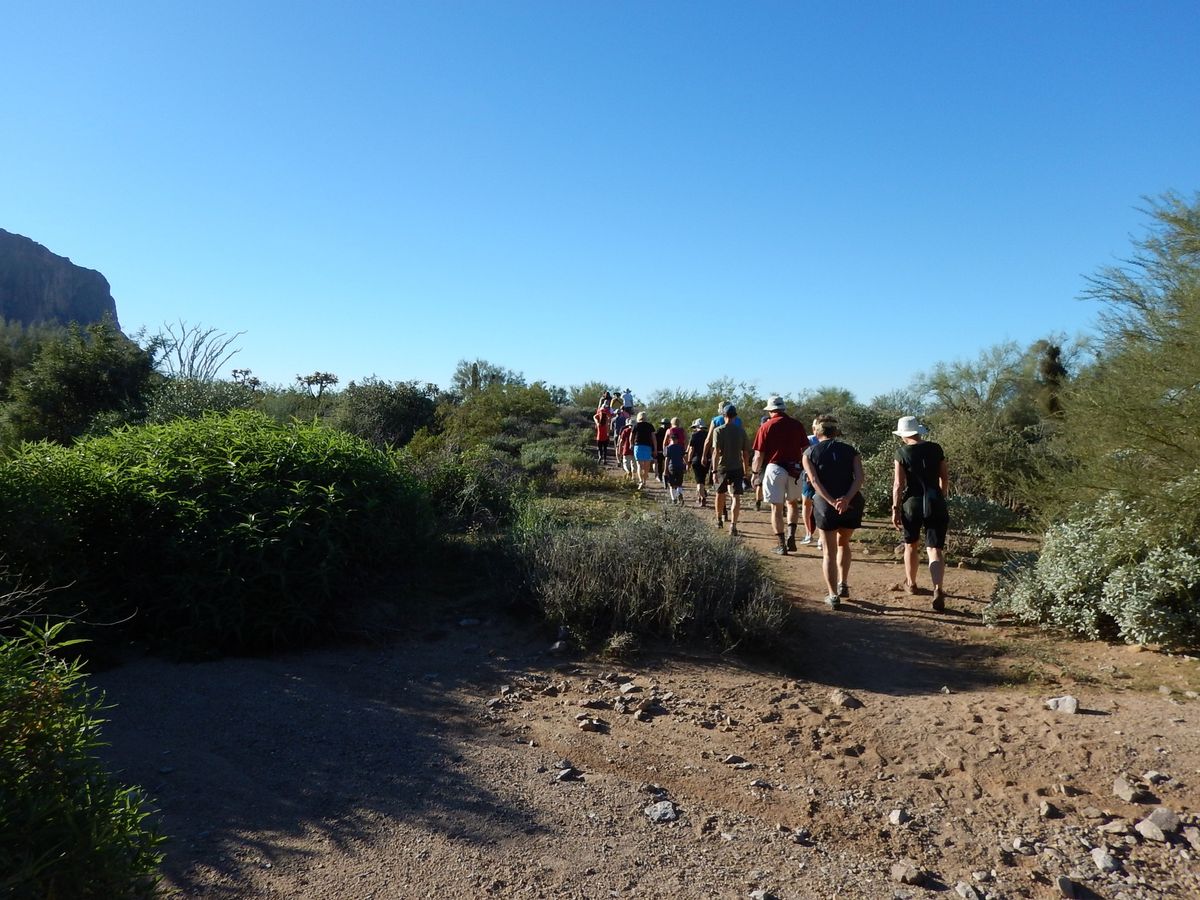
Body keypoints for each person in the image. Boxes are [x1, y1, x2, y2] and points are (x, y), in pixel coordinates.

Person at [803, 416, 865, 609]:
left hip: (825, 505)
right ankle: (843, 583)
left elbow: (814, 481)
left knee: (829, 551)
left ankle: (833, 595)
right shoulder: (850, 450)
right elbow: (859, 477)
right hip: (851, 503)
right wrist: (846, 499)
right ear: (836, 432)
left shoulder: (810, 452)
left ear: (817, 431)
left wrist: (831, 501)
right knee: (844, 543)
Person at [891, 415, 951, 611]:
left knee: (911, 545)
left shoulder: (902, 453)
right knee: (935, 549)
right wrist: (939, 496)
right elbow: (945, 478)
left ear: (903, 435)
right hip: (935, 500)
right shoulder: (936, 448)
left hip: (912, 503)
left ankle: (911, 583)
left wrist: (895, 507)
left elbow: (899, 484)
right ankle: (937, 588)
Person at [750, 396, 809, 555]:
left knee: (776, 506)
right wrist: (806, 469)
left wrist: (755, 473)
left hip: (775, 468)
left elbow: (758, 455)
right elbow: (805, 450)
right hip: (795, 469)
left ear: (770, 411)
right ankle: (791, 536)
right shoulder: (797, 425)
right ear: (783, 409)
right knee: (792, 503)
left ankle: (781, 544)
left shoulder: (766, 426)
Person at [712, 405, 751, 536]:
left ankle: (718, 519)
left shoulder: (718, 430)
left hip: (722, 467)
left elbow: (716, 452)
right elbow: (745, 453)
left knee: (720, 493)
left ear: (723, 415)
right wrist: (746, 471)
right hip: (737, 467)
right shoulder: (741, 431)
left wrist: (713, 471)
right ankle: (733, 525)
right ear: (735, 416)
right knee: (735, 496)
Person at [685, 418, 710, 507]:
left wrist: (688, 461)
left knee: (699, 481)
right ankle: (700, 496)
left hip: (696, 460)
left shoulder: (694, 435)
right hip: (707, 460)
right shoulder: (708, 435)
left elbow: (691, 449)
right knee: (702, 479)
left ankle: (702, 497)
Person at [663, 418, 687, 504]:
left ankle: (674, 499)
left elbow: (667, 459)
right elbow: (684, 456)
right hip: (680, 466)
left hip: (671, 467)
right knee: (679, 483)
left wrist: (665, 470)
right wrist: (687, 464)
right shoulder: (681, 447)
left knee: (671, 484)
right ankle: (679, 493)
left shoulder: (668, 447)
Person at [630, 411, 657, 489]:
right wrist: (655, 449)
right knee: (646, 465)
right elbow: (654, 438)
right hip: (647, 447)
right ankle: (644, 481)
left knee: (639, 465)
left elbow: (631, 436)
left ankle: (641, 481)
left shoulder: (636, 425)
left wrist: (631, 444)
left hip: (638, 446)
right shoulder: (650, 426)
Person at [654, 418, 670, 484]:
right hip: (662, 449)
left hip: (663, 449)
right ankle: (662, 477)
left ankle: (662, 477)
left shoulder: (659, 431)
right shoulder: (667, 431)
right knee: (662, 464)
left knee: (661, 464)